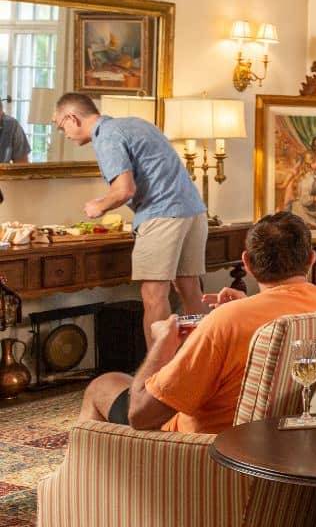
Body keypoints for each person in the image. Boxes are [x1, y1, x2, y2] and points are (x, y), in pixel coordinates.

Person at [0, 212, 316, 527]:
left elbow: (141, 416)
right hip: (283, 446)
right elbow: (275, 313)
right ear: (312, 259)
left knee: (102, 386)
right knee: (116, 381)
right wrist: (244, 306)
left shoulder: (228, 322)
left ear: (247, 263)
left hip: (202, 453)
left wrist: (164, 344)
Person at [54, 92, 208, 347]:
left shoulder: (107, 137)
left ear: (72, 118)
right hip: (193, 211)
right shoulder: (137, 123)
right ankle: (200, 361)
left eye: (62, 126)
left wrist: (98, 206)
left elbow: (124, 190)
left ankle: (156, 376)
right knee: (190, 290)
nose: (65, 134)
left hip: (162, 215)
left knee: (153, 295)